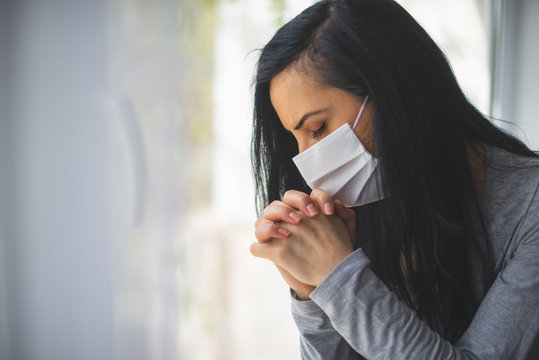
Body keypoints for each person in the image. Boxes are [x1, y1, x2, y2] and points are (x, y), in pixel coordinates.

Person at [248, 0, 539, 359]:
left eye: (317, 128)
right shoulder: (360, 208)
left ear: (393, 91)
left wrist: (339, 279)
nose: (309, 164)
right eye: (297, 140)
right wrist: (313, 296)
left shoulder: (530, 207)